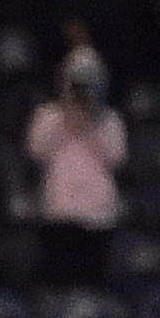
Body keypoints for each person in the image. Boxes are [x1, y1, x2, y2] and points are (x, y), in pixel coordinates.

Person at [29, 51, 131, 286]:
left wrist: (93, 118)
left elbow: (116, 157)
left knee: (93, 283)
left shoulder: (110, 120)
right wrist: (65, 114)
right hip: (59, 213)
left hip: (98, 216)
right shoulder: (47, 115)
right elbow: (37, 150)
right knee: (58, 281)